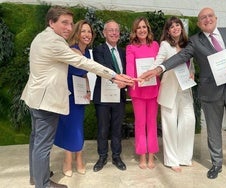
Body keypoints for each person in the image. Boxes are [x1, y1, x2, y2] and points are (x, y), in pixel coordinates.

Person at [21, 6, 134, 188]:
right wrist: (114, 75)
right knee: (42, 145)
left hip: (35, 97)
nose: (68, 27)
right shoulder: (55, 42)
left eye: (71, 23)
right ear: (51, 22)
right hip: (46, 101)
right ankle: (43, 184)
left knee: (36, 140)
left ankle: (36, 176)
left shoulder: (41, 37)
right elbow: (81, 62)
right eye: (64, 23)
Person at [140, 7, 226, 179]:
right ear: (198, 23)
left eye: (210, 16)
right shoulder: (194, 41)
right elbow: (180, 57)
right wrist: (159, 68)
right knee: (213, 130)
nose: (207, 19)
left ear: (216, 18)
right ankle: (216, 164)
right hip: (211, 92)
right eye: (203, 17)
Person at [154, 16, 195, 172]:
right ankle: (172, 160)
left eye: (178, 25)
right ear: (168, 31)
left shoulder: (188, 45)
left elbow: (191, 66)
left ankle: (184, 157)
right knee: (170, 124)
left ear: (181, 28)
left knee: (189, 121)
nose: (176, 28)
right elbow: (158, 63)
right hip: (169, 89)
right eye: (172, 27)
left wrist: (192, 73)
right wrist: (147, 73)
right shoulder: (165, 45)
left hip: (185, 89)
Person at [54, 20, 95, 177]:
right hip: (69, 94)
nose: (86, 34)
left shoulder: (87, 53)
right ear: (77, 33)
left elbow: (85, 73)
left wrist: (88, 89)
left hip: (80, 95)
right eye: (83, 31)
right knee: (70, 127)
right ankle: (68, 160)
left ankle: (79, 159)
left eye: (89, 32)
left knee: (78, 126)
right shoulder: (71, 50)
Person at [92, 20, 127, 172]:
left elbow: (128, 70)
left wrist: (126, 81)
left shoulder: (124, 52)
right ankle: (102, 156)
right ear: (104, 33)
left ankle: (117, 156)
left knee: (117, 128)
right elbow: (103, 68)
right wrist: (121, 78)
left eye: (116, 30)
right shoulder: (98, 50)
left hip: (119, 94)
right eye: (110, 30)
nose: (114, 33)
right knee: (102, 128)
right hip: (104, 96)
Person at [126, 17, 160, 169]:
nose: (142, 30)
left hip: (153, 89)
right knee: (140, 123)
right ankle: (142, 156)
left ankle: (151, 155)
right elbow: (129, 67)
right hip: (138, 90)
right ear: (135, 31)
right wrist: (133, 80)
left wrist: (155, 74)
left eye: (144, 27)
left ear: (148, 29)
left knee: (152, 123)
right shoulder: (131, 47)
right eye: (139, 27)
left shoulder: (155, 45)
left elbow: (159, 66)